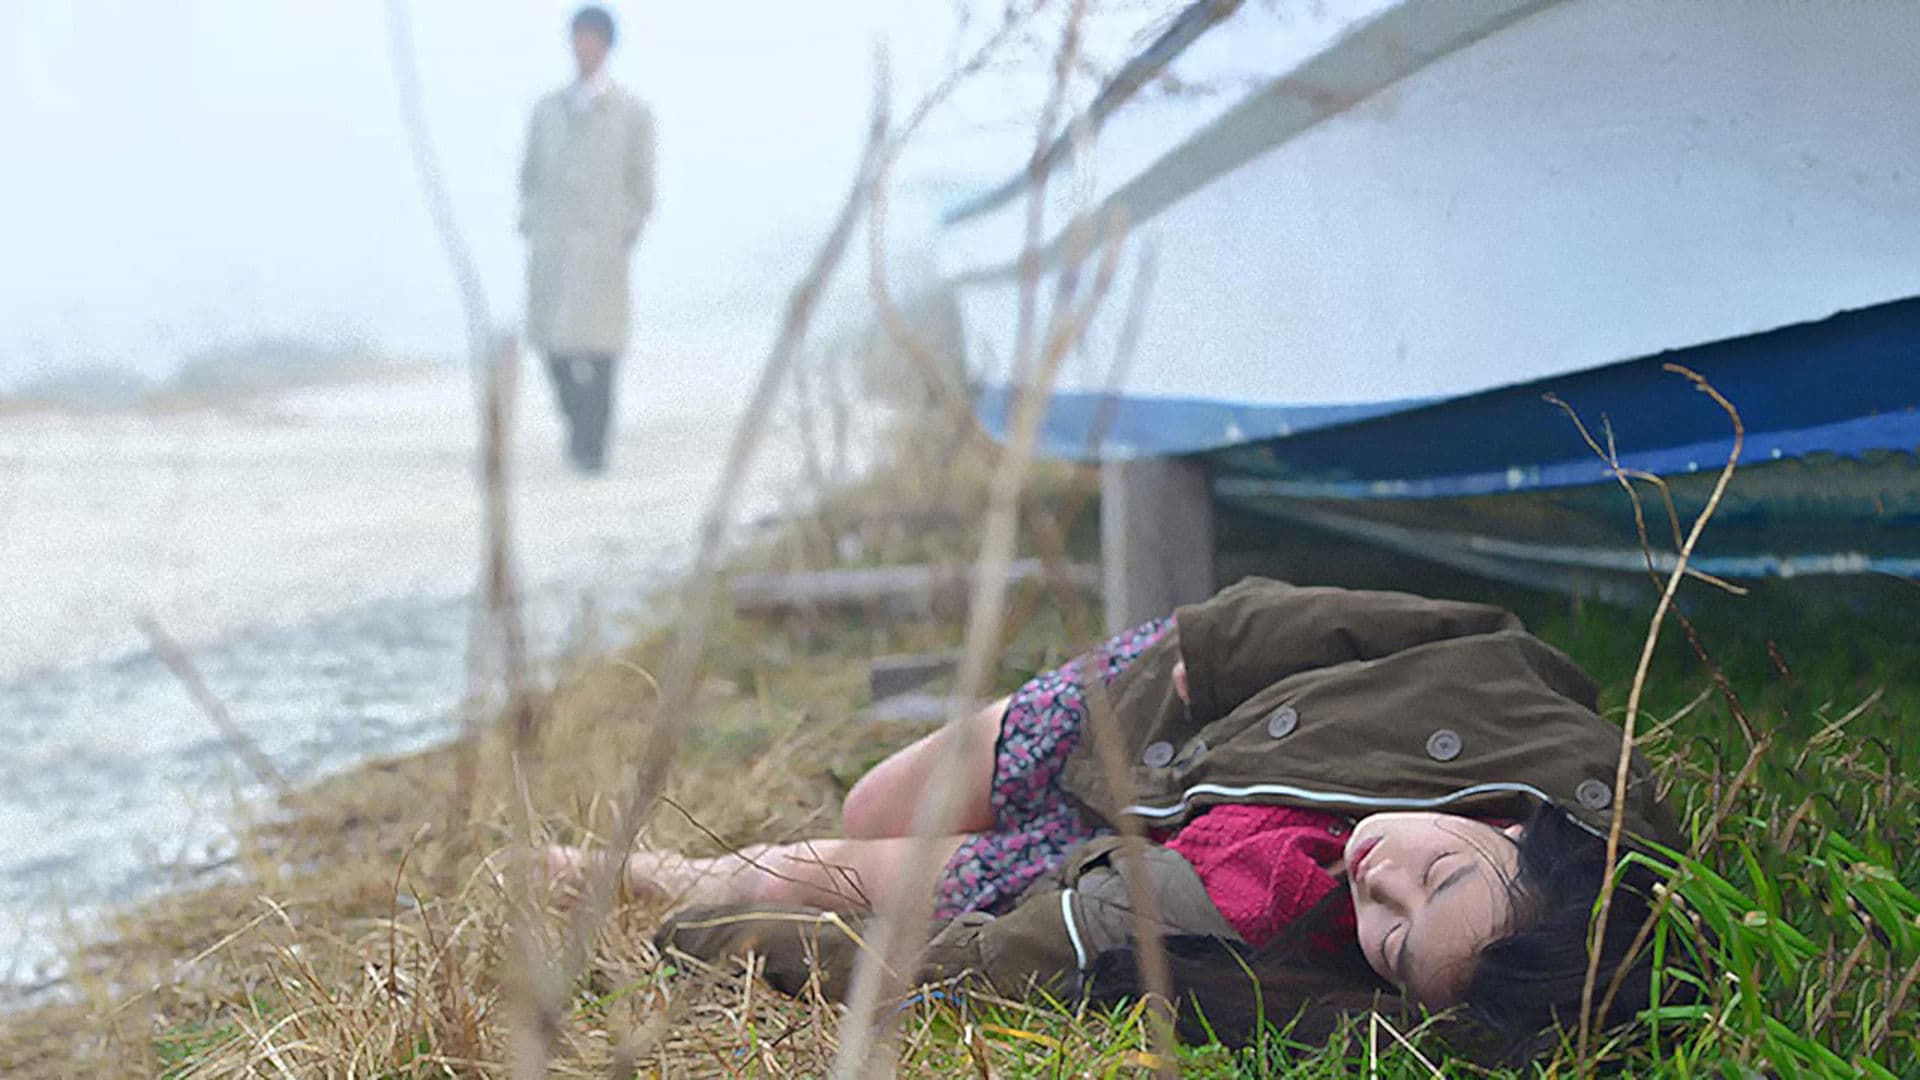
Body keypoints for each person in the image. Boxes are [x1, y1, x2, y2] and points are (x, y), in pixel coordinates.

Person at [553, 579, 1683, 1059]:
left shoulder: (1275, 969)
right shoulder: (1547, 751)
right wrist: (1218, 640)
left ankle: (633, 872)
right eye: (1439, 876)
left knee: (802, 876)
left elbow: (978, 965)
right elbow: (1450, 628)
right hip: (1155, 713)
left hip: (1106, 856)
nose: (1374, 878)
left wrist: (710, 936)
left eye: (1393, 937)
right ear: (1525, 831)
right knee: (874, 798)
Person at [519, 5, 655, 472]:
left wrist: (626, 229)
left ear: (606, 46)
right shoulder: (547, 111)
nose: (583, 48)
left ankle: (592, 445)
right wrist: (532, 224)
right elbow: (529, 176)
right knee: (553, 346)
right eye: (577, 38)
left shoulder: (632, 114)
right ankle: (577, 426)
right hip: (553, 248)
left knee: (600, 353)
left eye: (591, 39)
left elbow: (642, 184)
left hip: (603, 249)